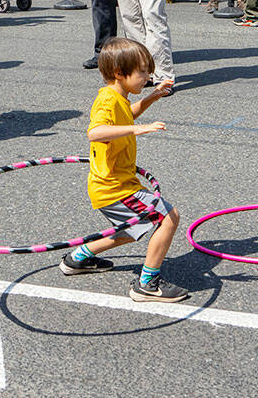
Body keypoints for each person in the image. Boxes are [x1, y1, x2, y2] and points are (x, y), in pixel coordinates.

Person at [59, 37, 187, 303]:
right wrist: (136, 129)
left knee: (131, 230)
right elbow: (96, 133)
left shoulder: (118, 96)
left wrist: (151, 97)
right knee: (168, 216)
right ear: (119, 73)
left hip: (116, 182)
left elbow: (126, 115)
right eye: (142, 72)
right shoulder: (106, 100)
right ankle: (147, 284)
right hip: (113, 187)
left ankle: (77, 258)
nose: (147, 76)